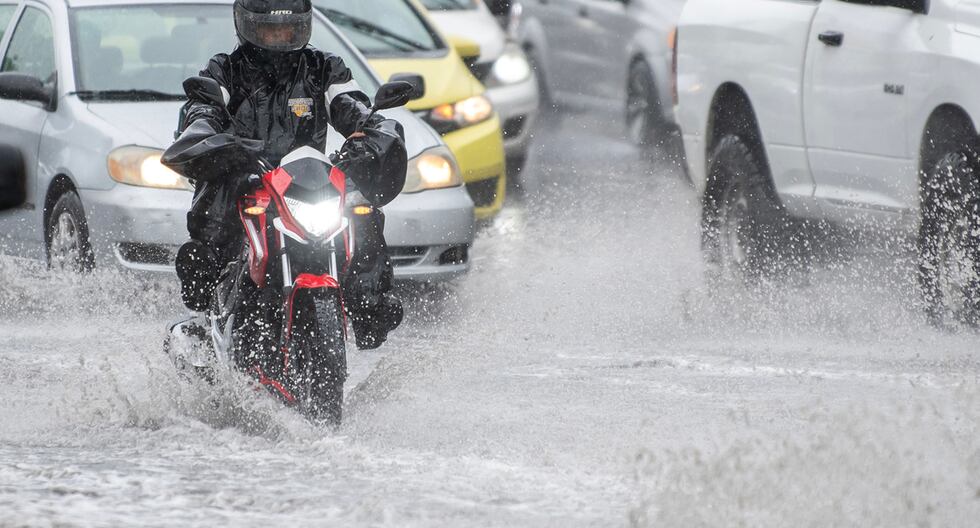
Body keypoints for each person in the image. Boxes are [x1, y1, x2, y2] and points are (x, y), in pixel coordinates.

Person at [161, 0, 405, 350]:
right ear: (247, 25)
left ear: (302, 26)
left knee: (359, 209)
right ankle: (207, 306)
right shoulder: (226, 69)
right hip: (249, 179)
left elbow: (351, 104)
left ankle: (370, 307)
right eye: (269, 29)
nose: (279, 36)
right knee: (216, 214)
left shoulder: (323, 68)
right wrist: (208, 130)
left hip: (308, 183)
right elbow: (204, 108)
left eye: (287, 28)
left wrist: (371, 128)